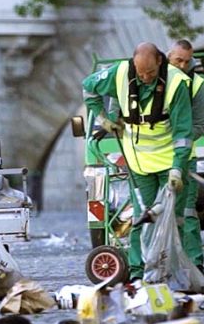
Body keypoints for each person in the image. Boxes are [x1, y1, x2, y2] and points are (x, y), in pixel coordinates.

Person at [82, 42, 193, 281]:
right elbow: (88, 88)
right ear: (133, 64)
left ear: (160, 62)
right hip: (138, 162)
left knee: (172, 217)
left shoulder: (176, 84)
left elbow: (184, 133)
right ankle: (138, 272)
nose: (144, 78)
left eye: (150, 73)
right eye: (140, 73)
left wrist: (177, 169)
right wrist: (103, 120)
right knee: (141, 216)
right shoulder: (120, 73)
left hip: (168, 161)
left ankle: (171, 271)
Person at [167, 39, 204, 280]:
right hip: (152, 159)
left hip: (184, 158)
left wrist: (176, 138)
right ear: (167, 57)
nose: (182, 65)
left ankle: (194, 264)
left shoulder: (195, 84)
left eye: (186, 61)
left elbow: (200, 126)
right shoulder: (154, 78)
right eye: (177, 60)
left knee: (188, 212)